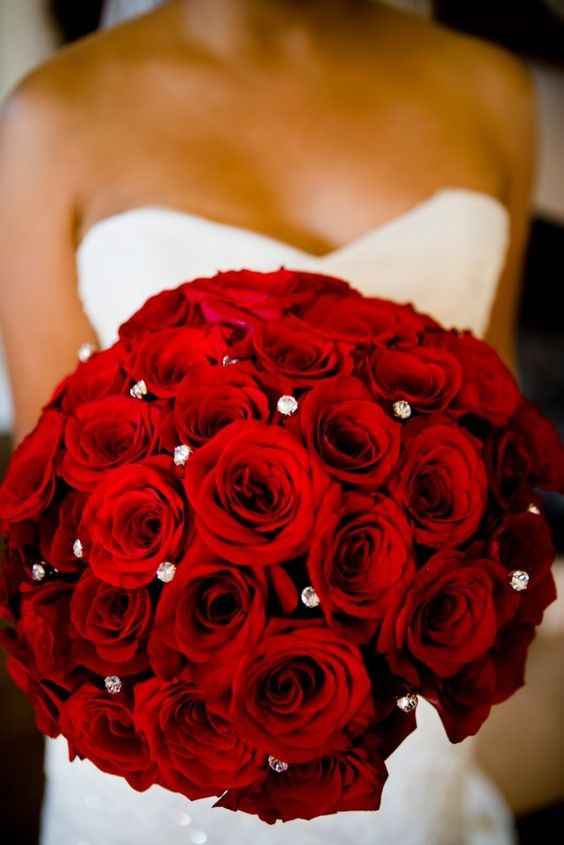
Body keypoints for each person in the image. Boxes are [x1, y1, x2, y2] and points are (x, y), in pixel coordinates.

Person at [0, 1, 535, 843]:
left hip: (402, 729)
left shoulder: (492, 90)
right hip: (173, 748)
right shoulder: (50, 117)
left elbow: (494, 445)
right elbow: (50, 521)